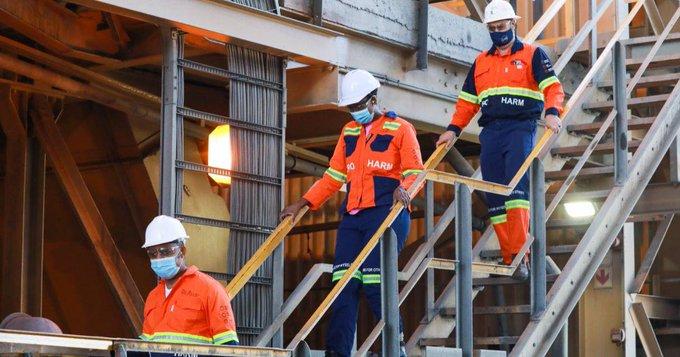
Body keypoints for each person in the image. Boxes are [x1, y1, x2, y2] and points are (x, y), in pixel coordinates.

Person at [280, 69, 424, 356]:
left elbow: (416, 173)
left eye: (358, 106)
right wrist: (303, 203)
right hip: (354, 218)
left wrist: (405, 191)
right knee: (342, 287)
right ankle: (338, 352)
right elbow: (334, 176)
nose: (354, 112)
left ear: (373, 100)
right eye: (350, 107)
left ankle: (393, 348)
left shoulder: (401, 129)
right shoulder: (348, 133)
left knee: (375, 284)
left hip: (387, 214)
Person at [436, 0, 565, 280]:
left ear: (513, 24)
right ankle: (511, 256)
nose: (498, 32)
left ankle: (521, 255)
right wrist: (453, 129)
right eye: (492, 28)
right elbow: (467, 102)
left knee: (515, 192)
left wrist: (553, 113)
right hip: (491, 132)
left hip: (520, 129)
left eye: (502, 26)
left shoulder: (533, 54)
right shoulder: (481, 62)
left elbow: (553, 88)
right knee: (495, 197)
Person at [140, 215, 238, 345]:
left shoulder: (210, 290)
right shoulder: (153, 297)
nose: (159, 258)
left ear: (182, 251)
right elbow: (143, 350)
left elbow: (228, 346)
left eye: (165, 251)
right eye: (152, 253)